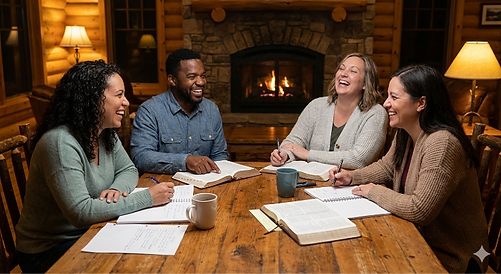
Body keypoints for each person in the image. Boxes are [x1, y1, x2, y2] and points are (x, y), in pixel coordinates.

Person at [15, 60, 175, 274]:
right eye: (119, 95)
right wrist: (147, 198)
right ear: (93, 99)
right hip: (49, 250)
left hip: (91, 231)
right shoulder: (60, 143)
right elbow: (80, 212)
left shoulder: (103, 133)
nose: (126, 102)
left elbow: (128, 170)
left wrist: (117, 190)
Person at [329, 65, 489, 274]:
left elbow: (419, 210)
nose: (386, 104)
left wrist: (373, 191)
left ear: (421, 103)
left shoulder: (442, 144)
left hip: (455, 258)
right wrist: (351, 177)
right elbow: (387, 167)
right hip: (418, 239)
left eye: (394, 97)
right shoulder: (406, 131)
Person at [270, 52, 388, 170]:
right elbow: (294, 141)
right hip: (313, 183)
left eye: (353, 71)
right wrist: (284, 154)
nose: (343, 74)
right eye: (341, 68)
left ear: (365, 83)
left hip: (353, 186)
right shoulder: (316, 106)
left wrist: (308, 155)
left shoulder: (376, 114)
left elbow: (358, 159)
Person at [131, 48, 228, 175]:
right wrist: (185, 161)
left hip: (206, 185)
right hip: (164, 186)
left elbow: (220, 155)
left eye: (203, 76)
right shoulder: (150, 111)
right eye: (192, 77)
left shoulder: (211, 110)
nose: (201, 82)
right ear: (172, 80)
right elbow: (141, 157)